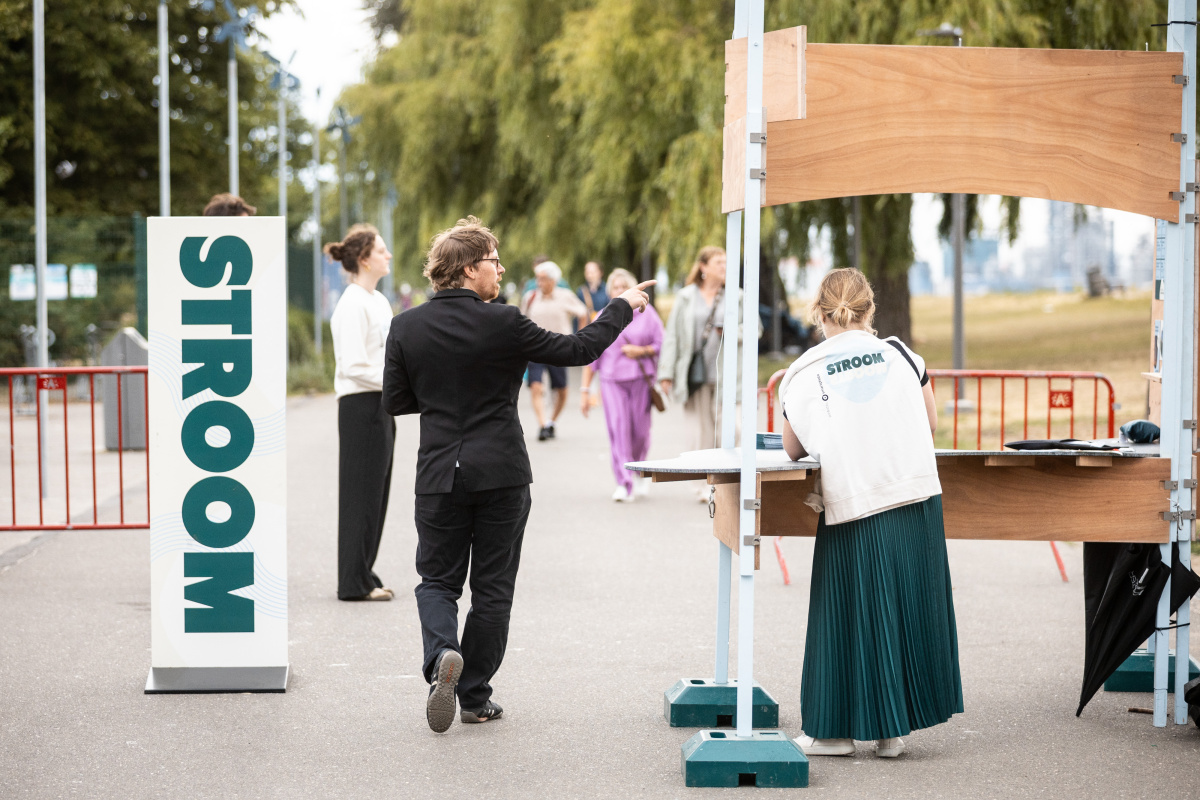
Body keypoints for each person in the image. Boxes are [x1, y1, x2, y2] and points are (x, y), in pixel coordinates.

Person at [382, 216, 653, 733]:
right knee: (492, 589)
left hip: (439, 473)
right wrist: (622, 306)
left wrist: (443, 401)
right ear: (468, 269)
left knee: (436, 580)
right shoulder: (504, 322)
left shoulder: (406, 326)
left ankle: (441, 654)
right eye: (494, 261)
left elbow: (395, 400)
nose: (502, 270)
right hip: (501, 472)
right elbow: (578, 349)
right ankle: (473, 695)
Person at [778, 267, 962, 759]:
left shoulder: (804, 371)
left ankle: (831, 732)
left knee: (843, 615)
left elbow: (792, 448)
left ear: (819, 313)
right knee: (902, 609)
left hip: (854, 499)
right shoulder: (903, 355)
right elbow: (930, 420)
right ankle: (891, 731)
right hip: (915, 494)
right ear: (870, 309)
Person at [327, 224, 396, 602]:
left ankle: (364, 572)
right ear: (365, 259)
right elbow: (353, 366)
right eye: (382, 250)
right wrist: (398, 383)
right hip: (360, 405)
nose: (388, 255)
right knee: (359, 495)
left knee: (376, 494)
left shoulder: (378, 300)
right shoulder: (352, 303)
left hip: (380, 403)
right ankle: (352, 581)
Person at [580, 268, 663, 502]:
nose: (619, 290)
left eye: (623, 286)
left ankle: (639, 468)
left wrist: (642, 350)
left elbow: (661, 343)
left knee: (640, 432)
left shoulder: (648, 314)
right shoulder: (603, 316)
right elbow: (591, 356)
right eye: (615, 288)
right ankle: (623, 483)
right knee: (619, 430)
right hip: (612, 381)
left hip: (641, 380)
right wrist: (585, 391)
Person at [520, 261, 589, 441]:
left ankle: (552, 422)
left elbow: (582, 313)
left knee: (561, 389)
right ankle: (542, 425)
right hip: (535, 348)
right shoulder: (530, 297)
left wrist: (579, 337)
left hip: (559, 348)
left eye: (543, 278)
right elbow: (521, 321)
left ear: (553, 280)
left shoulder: (565, 296)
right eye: (538, 278)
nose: (539, 282)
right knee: (536, 387)